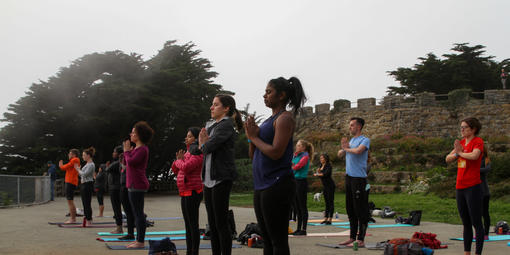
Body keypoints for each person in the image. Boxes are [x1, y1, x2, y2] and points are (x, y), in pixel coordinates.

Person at [245, 76, 306, 255]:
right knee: (267, 240)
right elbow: (252, 155)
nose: (265, 96)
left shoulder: (284, 118)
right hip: (262, 184)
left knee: (278, 240)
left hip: (277, 184)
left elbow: (276, 152)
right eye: (265, 92)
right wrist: (251, 136)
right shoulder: (267, 121)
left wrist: (255, 137)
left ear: (282, 95)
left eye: (269, 92)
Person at [198, 94, 242, 255]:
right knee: (212, 223)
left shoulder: (226, 125)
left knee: (221, 222)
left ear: (226, 108)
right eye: (212, 104)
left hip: (221, 178)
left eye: (215, 105)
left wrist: (203, 143)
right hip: (209, 178)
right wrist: (203, 144)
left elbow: (207, 146)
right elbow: (201, 147)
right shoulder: (212, 126)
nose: (211, 107)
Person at [446, 117, 484, 255]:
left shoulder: (477, 141)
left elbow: (474, 156)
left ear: (473, 129)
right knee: (466, 223)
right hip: (460, 187)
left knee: (476, 223)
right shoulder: (461, 143)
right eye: (461, 127)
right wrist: (457, 153)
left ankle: (477, 253)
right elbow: (448, 158)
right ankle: (466, 252)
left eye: (465, 127)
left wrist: (461, 153)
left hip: (473, 187)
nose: (462, 130)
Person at [337, 117, 370, 248]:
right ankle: (352, 237)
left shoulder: (364, 140)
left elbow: (358, 151)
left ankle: (361, 239)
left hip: (359, 179)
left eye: (352, 125)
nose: (350, 127)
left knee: (360, 209)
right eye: (349, 125)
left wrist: (346, 149)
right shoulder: (351, 141)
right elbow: (340, 154)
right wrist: (343, 148)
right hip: (349, 178)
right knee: (350, 209)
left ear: (359, 126)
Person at [171, 127, 204, 255]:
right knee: (187, 225)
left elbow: (186, 167)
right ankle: (188, 251)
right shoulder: (187, 153)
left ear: (196, 139)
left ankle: (194, 251)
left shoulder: (197, 152)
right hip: (184, 192)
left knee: (193, 225)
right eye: (187, 136)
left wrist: (179, 161)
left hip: (193, 192)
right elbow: (176, 170)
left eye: (189, 136)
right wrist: (178, 161)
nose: (186, 138)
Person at [123, 121, 154, 248]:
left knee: (138, 213)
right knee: (136, 213)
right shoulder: (136, 148)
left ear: (139, 135)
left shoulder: (142, 149)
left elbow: (131, 161)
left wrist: (126, 151)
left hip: (138, 184)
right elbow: (127, 162)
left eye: (133, 132)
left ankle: (140, 241)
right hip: (132, 184)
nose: (131, 134)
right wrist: (128, 152)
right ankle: (138, 239)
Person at [291, 139, 313, 235]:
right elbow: (291, 165)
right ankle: (298, 228)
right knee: (297, 206)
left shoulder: (305, 156)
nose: (297, 147)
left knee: (302, 206)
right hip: (295, 181)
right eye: (297, 145)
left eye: (299, 145)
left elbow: (297, 166)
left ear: (303, 147)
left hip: (301, 182)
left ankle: (304, 229)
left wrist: (292, 165)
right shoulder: (296, 155)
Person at [74, 147, 96, 226]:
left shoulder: (91, 164)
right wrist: (79, 170)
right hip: (84, 184)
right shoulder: (87, 164)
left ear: (88, 156)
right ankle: (87, 219)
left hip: (87, 185)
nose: (83, 156)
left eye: (84, 155)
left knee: (87, 203)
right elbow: (82, 174)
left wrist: (77, 169)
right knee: (85, 203)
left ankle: (89, 220)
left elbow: (84, 174)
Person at [106, 146, 125, 234]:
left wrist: (108, 166)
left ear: (118, 154)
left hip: (115, 188)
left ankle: (119, 228)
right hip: (116, 187)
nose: (113, 153)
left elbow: (107, 169)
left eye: (114, 152)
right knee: (118, 208)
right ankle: (119, 227)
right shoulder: (119, 162)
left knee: (116, 208)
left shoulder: (117, 162)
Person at [59, 149, 81, 224]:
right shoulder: (74, 160)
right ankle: (73, 218)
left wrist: (61, 166)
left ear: (74, 155)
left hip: (70, 182)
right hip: (70, 182)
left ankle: (73, 219)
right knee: (70, 201)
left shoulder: (75, 159)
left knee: (70, 201)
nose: (68, 154)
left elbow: (64, 167)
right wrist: (62, 166)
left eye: (70, 153)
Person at [314, 153, 335, 225]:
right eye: (320, 158)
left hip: (330, 185)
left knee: (330, 201)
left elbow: (326, 174)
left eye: (322, 158)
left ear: (325, 159)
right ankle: (326, 218)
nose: (321, 159)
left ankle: (330, 218)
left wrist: (318, 174)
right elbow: (321, 176)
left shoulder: (328, 166)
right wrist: (318, 172)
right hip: (325, 186)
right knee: (326, 202)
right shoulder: (320, 166)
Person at [480, 148, 491, 240]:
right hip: (474, 191)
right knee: (476, 214)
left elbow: (487, 169)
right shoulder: (474, 160)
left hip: (484, 192)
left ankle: (486, 233)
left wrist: (475, 170)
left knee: (485, 213)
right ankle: (479, 233)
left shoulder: (486, 160)